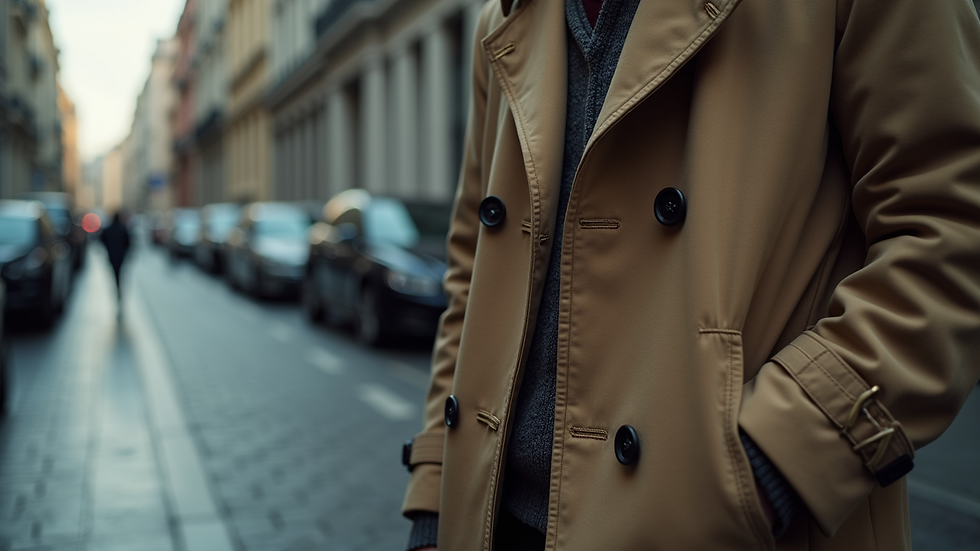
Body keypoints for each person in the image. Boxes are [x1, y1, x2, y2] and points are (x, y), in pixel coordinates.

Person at [401, 0, 980, 549]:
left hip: (726, 530)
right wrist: (434, 501)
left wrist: (778, 461)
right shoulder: (505, 16)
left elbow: (951, 234)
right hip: (490, 525)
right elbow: (473, 276)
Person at [100, 211, 131, 304]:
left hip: (112, 255)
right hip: (120, 256)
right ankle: (118, 287)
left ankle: (117, 287)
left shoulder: (108, 229)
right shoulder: (123, 229)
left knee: (114, 272)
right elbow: (128, 243)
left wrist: (108, 248)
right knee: (119, 272)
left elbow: (102, 239)